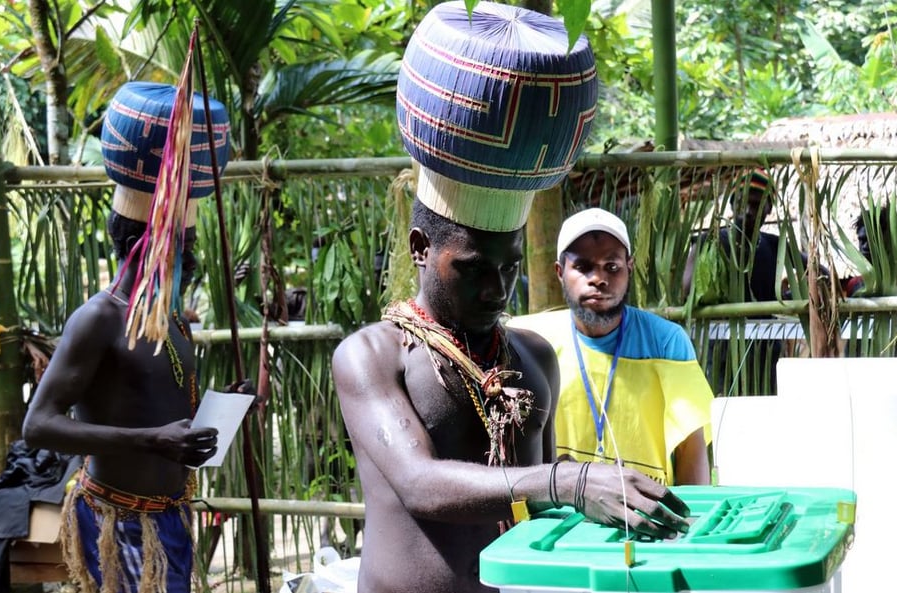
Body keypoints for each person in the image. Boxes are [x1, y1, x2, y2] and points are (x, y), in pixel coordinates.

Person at [332, 4, 690, 593]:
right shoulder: (371, 355)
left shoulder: (530, 357)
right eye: (473, 269)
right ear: (421, 247)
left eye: (510, 267)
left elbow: (545, 512)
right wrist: (566, 480)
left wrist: (624, 521)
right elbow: (419, 483)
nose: (497, 289)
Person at [21, 80, 231, 593]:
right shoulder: (99, 318)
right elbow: (39, 425)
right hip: (121, 524)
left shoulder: (172, 317)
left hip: (171, 518)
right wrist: (152, 441)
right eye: (184, 240)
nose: (192, 250)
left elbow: (159, 407)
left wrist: (222, 416)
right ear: (152, 245)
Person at [508, 209, 713, 486]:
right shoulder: (532, 340)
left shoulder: (666, 342)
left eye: (611, 267)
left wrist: (693, 521)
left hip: (649, 515)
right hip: (559, 516)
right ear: (559, 272)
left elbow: (690, 447)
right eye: (583, 267)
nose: (598, 279)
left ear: (629, 268)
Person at [682, 167, 798, 394]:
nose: (747, 211)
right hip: (723, 349)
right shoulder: (710, 242)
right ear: (731, 206)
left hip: (765, 349)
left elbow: (817, 271)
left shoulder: (775, 245)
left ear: (769, 209)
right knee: (724, 412)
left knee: (763, 411)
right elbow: (687, 292)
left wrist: (792, 296)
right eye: (741, 203)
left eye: (756, 205)